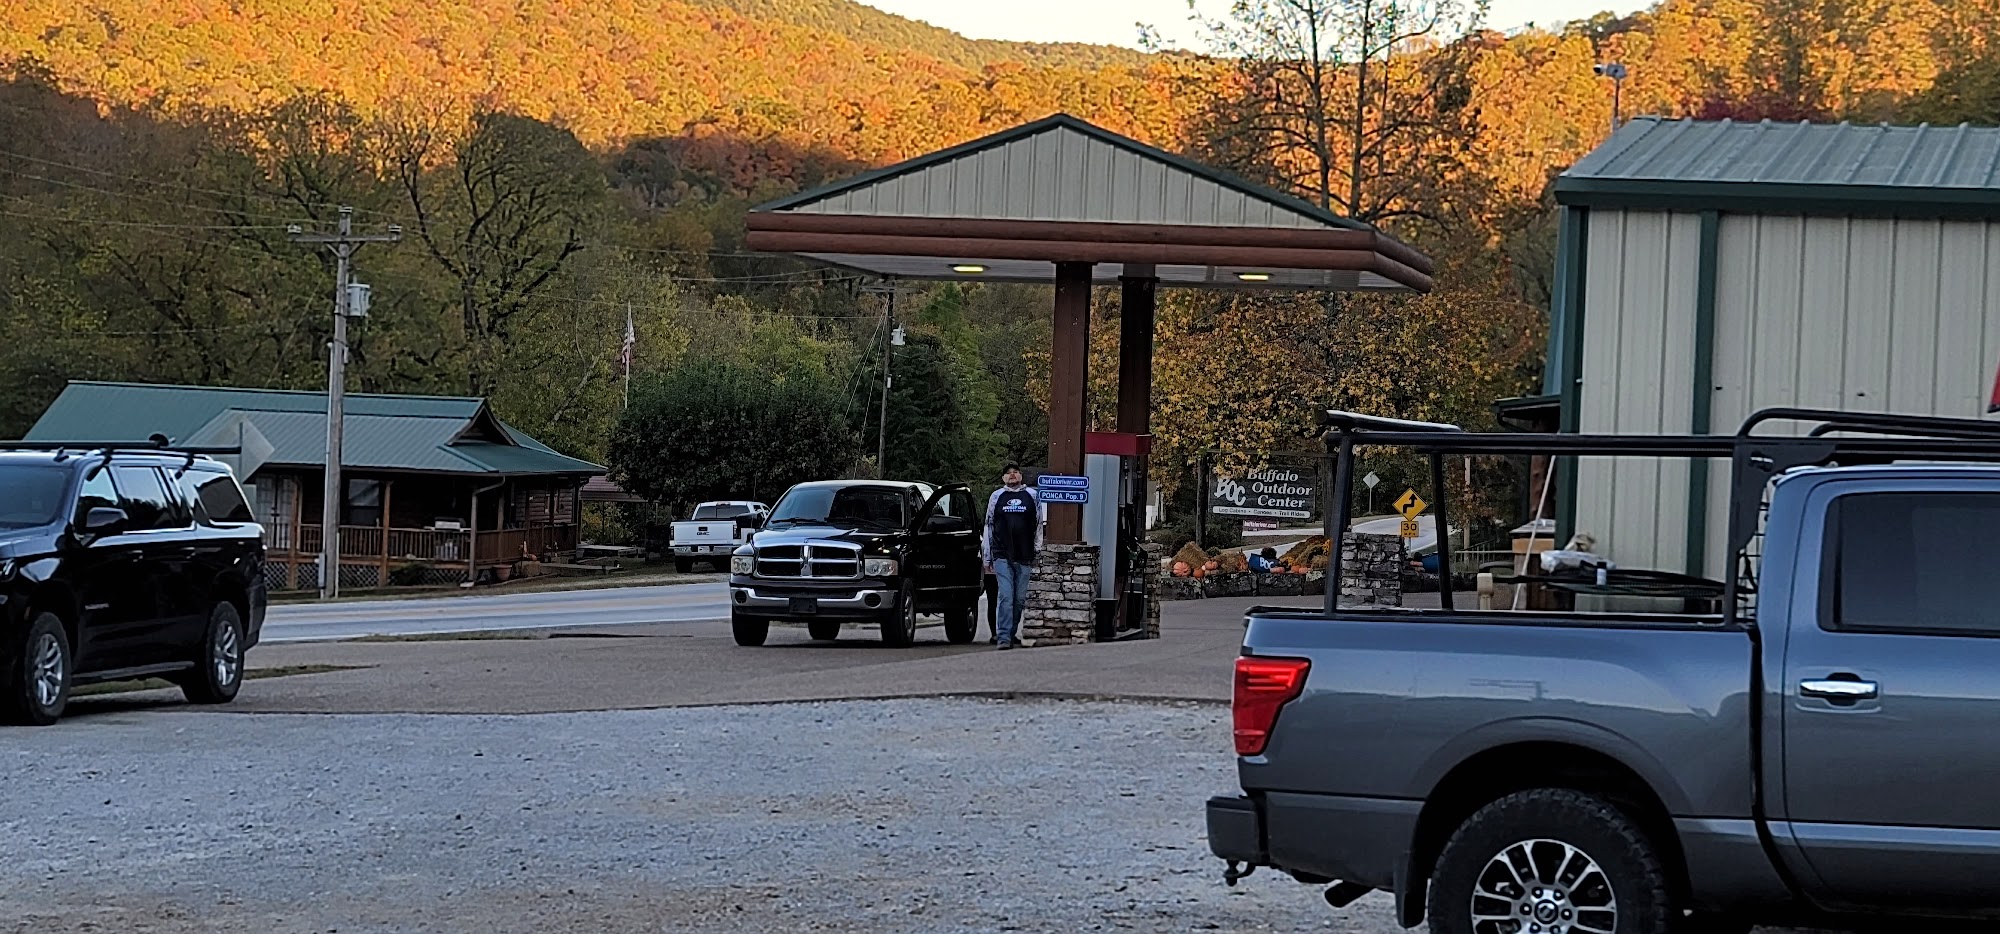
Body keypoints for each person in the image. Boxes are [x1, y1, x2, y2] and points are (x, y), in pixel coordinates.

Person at [981, 463, 1044, 650]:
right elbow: (989, 525)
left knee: (1019, 599)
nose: (1012, 475)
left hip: (1025, 554)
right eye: (1008, 473)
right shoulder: (996, 497)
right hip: (1001, 554)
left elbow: (1039, 524)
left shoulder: (1032, 496)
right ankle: (1003, 637)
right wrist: (987, 556)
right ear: (1003, 478)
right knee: (1006, 596)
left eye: (1015, 472)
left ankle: (1010, 631)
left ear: (1021, 476)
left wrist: (1037, 549)